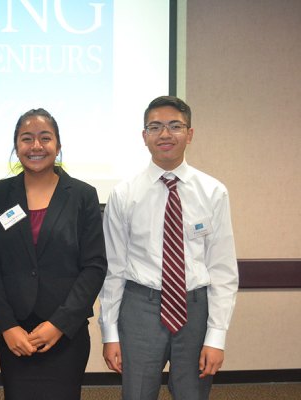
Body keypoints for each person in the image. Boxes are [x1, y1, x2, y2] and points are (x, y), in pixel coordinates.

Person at [99, 96, 239, 399]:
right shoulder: (124, 194)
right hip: (139, 308)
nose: (165, 134)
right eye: (155, 127)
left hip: (195, 307)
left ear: (189, 134)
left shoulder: (213, 192)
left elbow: (223, 269)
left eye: (175, 126)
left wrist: (217, 337)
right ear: (144, 136)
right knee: (136, 394)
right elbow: (114, 269)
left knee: (192, 394)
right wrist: (109, 333)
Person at [0, 108, 107, 400]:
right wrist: (6, 326)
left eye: (45, 138)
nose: (36, 146)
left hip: (65, 331)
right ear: (16, 147)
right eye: (26, 139)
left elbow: (94, 266)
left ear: (58, 146)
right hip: (15, 334)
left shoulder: (82, 195)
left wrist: (59, 324)